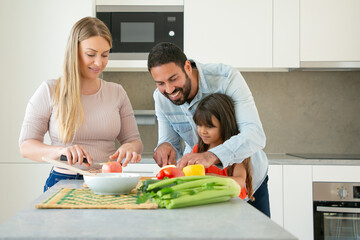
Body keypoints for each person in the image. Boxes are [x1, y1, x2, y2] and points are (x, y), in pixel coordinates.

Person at [19, 17, 143, 191]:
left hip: (107, 181)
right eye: (91, 54)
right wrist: (60, 151)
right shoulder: (49, 90)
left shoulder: (117, 92)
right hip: (63, 181)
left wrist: (130, 147)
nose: (99, 62)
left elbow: (134, 141)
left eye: (105, 54)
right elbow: (26, 146)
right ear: (74, 51)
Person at [147, 42, 270, 217]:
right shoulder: (161, 98)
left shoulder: (226, 78)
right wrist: (165, 147)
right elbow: (169, 142)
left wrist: (210, 156)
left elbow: (255, 135)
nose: (169, 89)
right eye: (160, 83)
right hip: (201, 189)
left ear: (187, 67)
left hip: (250, 184)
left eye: (173, 79)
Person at [192, 93, 254, 201]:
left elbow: (240, 181)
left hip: (232, 204)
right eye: (199, 125)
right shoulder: (198, 150)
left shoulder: (236, 151)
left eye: (209, 126)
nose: (202, 131)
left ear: (225, 125)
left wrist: (210, 178)